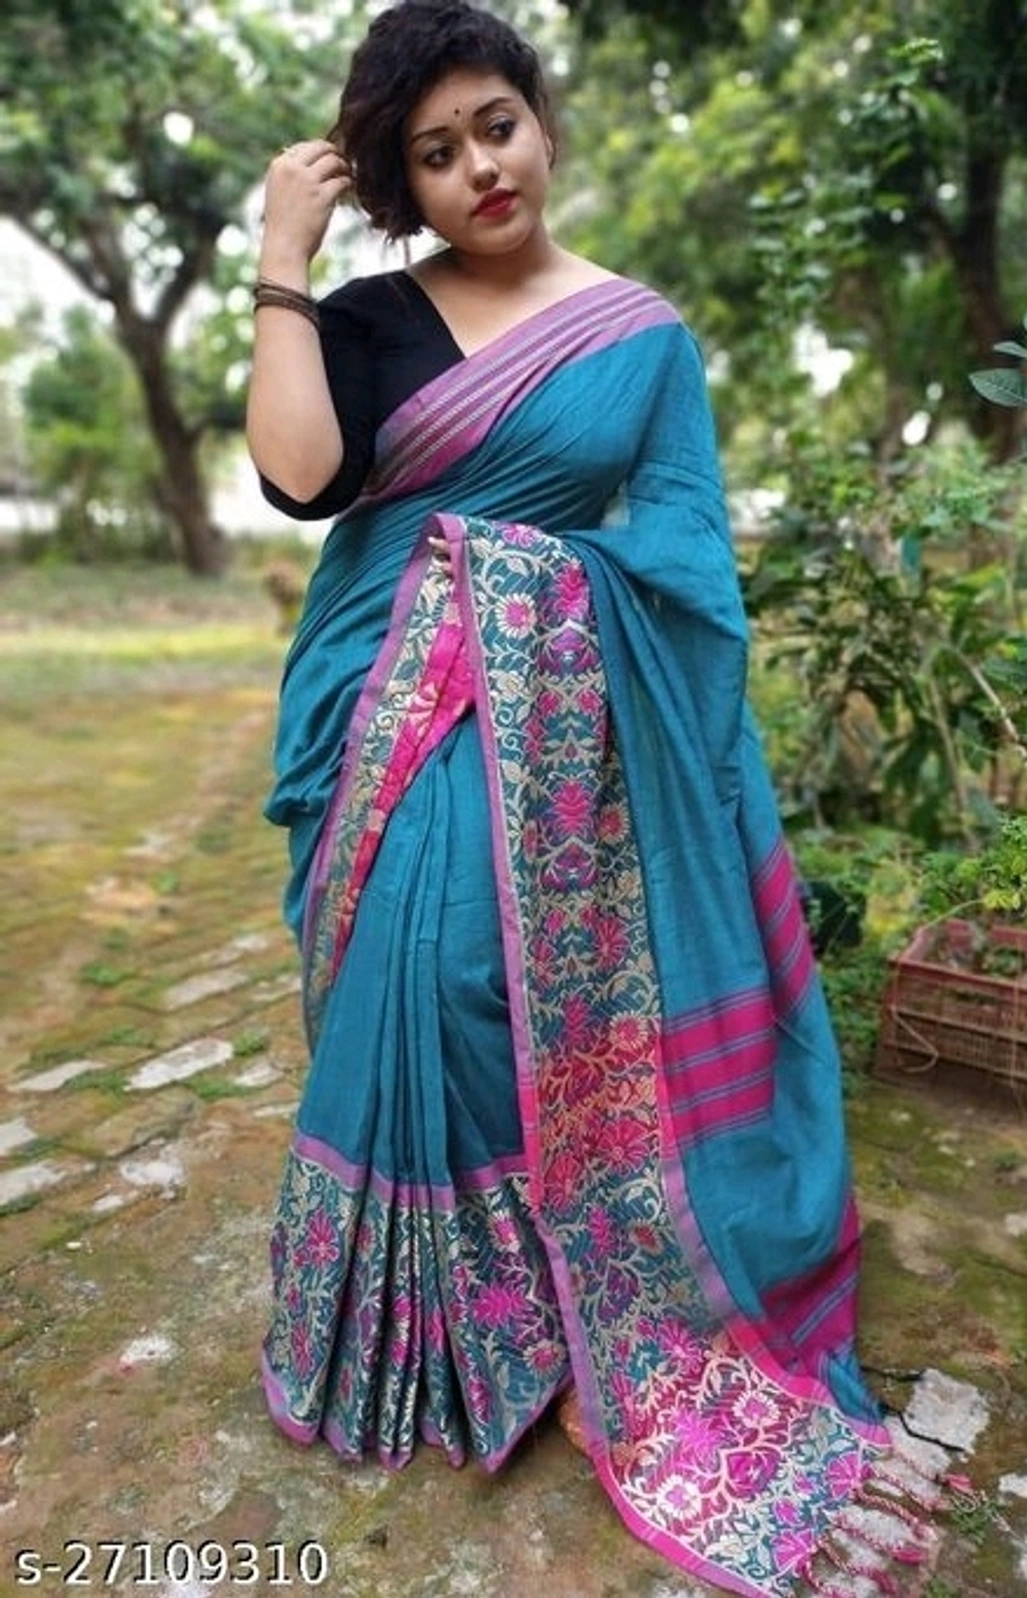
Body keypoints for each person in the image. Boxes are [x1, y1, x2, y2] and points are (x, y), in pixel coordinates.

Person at [247, 4, 939, 1593]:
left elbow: (685, 549)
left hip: (545, 695)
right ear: (405, 185)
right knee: (419, 975)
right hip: (377, 683)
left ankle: (548, 1297)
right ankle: (441, 1306)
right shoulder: (368, 316)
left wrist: (528, 585)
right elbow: (300, 476)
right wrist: (283, 256)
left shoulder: (640, 336)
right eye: (435, 154)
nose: (478, 167)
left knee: (482, 974)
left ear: (542, 120)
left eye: (495, 124)